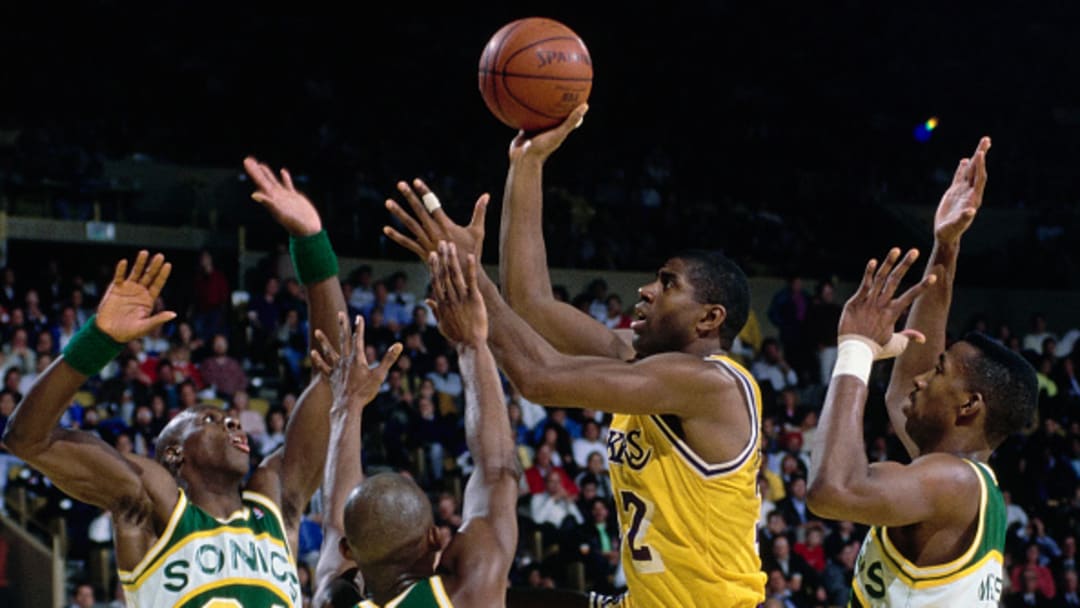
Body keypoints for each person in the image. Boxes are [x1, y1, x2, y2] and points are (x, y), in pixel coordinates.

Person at [383, 104, 765, 606]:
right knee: (474, 596)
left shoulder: (711, 385)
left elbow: (539, 376)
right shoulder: (639, 361)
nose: (647, 290)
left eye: (668, 284)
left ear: (709, 319)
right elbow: (532, 304)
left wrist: (469, 273)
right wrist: (527, 164)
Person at [3, 156, 350, 607]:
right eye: (211, 419)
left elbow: (334, 375)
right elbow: (28, 439)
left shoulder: (275, 497)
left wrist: (311, 243)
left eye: (231, 420)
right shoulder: (150, 502)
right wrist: (97, 341)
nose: (233, 425)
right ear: (173, 452)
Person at [808, 138, 1039, 607]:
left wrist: (854, 351)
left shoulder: (951, 483)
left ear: (969, 405)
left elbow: (832, 490)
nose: (916, 377)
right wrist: (945, 246)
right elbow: (914, 362)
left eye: (939, 373)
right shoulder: (967, 479)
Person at [314, 242, 520, 607]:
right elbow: (499, 470)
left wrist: (346, 407)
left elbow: (334, 527)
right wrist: (472, 343)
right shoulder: (470, 589)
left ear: (350, 549)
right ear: (435, 539)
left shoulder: (332, 600)